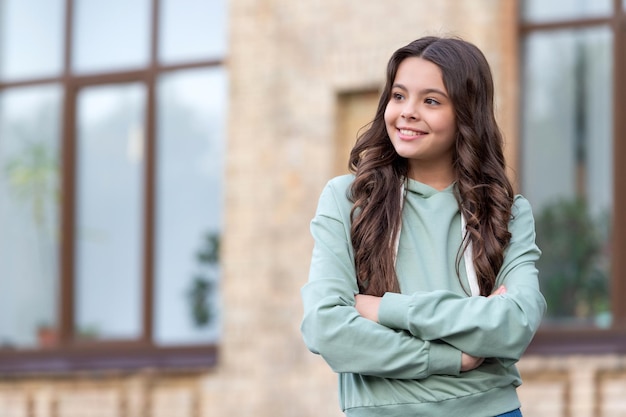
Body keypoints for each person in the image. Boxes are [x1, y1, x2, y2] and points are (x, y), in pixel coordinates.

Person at [300, 36, 546, 417]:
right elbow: (327, 328)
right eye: (399, 96)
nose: (408, 112)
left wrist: (384, 310)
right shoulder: (347, 200)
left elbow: (515, 323)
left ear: (466, 114)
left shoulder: (506, 211)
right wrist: (450, 357)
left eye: (431, 101)